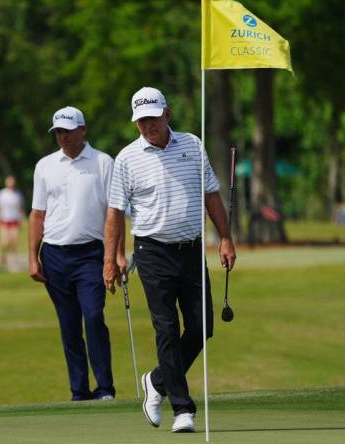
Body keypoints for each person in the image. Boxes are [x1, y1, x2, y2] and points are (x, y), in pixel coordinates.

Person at [103, 87, 236, 433]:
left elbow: (211, 194)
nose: (146, 125)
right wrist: (110, 258)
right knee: (166, 328)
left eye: (152, 118)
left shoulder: (193, 144)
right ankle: (182, 408)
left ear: (167, 114)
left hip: (192, 250)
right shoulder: (127, 158)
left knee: (201, 326)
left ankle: (157, 381)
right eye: (140, 120)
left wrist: (225, 237)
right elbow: (115, 212)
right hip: (152, 252)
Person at [29, 106, 119, 402]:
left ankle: (104, 388)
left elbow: (114, 213)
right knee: (68, 325)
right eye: (58, 132)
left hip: (91, 254)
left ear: (83, 130)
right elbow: (37, 214)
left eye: (67, 131)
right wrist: (33, 256)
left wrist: (117, 254)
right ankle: (79, 391)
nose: (62, 137)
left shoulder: (103, 162)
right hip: (54, 254)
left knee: (93, 317)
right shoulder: (45, 166)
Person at [0, 175, 24, 271]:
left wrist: (22, 218)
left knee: (13, 241)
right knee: (5, 242)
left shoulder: (18, 194)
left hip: (14, 220)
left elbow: (20, 208)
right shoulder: (2, 194)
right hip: (4, 220)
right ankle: (3, 255)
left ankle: (12, 259)